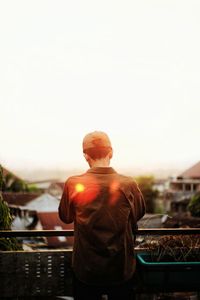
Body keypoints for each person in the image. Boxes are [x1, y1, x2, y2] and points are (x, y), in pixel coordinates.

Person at [59, 131, 145, 300]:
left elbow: (66, 217)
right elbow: (139, 213)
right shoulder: (128, 184)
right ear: (111, 152)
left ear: (85, 156)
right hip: (121, 268)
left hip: (86, 269)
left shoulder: (73, 183)